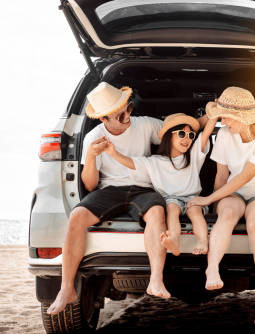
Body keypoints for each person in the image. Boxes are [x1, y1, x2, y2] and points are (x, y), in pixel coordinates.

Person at [47, 82, 169, 315]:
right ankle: (66, 288)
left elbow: (174, 130)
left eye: (129, 108)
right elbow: (90, 184)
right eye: (121, 114)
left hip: (143, 188)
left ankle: (155, 279)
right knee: (77, 216)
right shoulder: (93, 137)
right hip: (109, 190)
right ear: (104, 119)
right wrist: (91, 157)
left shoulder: (144, 124)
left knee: (157, 212)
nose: (128, 116)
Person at [187, 86, 255, 326]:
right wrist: (216, 203)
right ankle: (212, 268)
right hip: (234, 191)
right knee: (228, 213)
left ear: (243, 117)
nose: (223, 122)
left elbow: (245, 176)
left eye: (226, 117)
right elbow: (222, 176)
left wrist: (208, 199)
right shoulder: (224, 135)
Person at [104, 113, 216, 256]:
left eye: (191, 136)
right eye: (182, 134)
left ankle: (203, 242)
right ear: (169, 136)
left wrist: (215, 113)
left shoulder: (194, 156)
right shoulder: (155, 161)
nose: (187, 139)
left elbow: (206, 133)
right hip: (170, 199)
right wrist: (113, 153)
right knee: (171, 208)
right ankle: (174, 241)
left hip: (192, 198)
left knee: (195, 211)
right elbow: (132, 163)